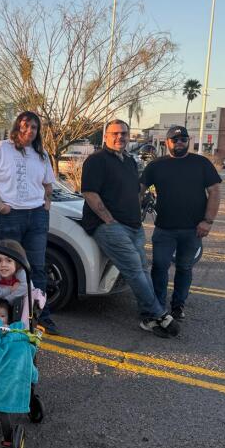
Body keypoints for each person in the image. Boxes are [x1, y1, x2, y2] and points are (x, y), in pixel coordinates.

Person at [80, 119, 180, 338]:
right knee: (134, 269)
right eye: (115, 133)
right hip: (108, 226)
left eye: (124, 133)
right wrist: (108, 220)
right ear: (106, 136)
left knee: (143, 269)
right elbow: (89, 193)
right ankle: (160, 314)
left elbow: (135, 192)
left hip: (133, 226)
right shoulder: (96, 161)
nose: (120, 137)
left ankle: (147, 317)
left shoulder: (129, 161)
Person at [0, 111, 56, 329]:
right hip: (9, 216)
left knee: (37, 268)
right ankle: (9, 315)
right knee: (8, 268)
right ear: (17, 126)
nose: (29, 131)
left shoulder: (41, 154)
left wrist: (46, 207)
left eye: (34, 127)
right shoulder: (0, 148)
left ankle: (40, 316)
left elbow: (48, 185)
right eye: (25, 126)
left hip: (36, 215)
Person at [140, 125, 221, 319]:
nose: (179, 143)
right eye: (174, 140)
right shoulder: (156, 165)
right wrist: (133, 216)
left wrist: (208, 221)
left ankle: (178, 306)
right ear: (167, 142)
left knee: (184, 268)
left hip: (193, 229)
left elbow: (215, 192)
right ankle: (159, 307)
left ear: (189, 141)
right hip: (164, 229)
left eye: (183, 139)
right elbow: (139, 191)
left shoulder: (201, 164)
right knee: (159, 267)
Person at [0, 239, 28, 305]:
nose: (3, 265)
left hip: (16, 308)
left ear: (18, 261)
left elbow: (27, 287)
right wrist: (10, 289)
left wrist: (7, 299)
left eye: (9, 260)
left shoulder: (20, 272)